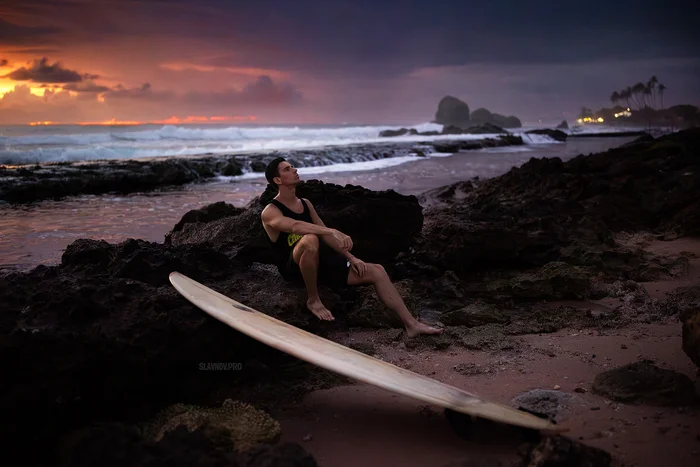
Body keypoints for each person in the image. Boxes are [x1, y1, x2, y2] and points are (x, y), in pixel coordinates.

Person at [260, 157, 443, 338]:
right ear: (277, 180)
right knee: (309, 239)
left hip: (320, 263)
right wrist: (331, 231)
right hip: (294, 269)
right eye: (287, 169)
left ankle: (412, 325)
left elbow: (326, 235)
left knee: (377, 270)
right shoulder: (270, 211)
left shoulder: (305, 203)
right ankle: (313, 298)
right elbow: (295, 226)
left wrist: (351, 257)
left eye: (292, 166)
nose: (294, 170)